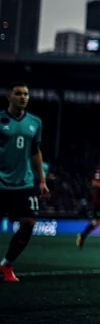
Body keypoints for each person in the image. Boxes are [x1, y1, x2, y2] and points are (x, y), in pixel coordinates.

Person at [0, 83, 48, 282]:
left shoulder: (35, 122)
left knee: (28, 223)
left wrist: (42, 180)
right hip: (1, 182)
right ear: (9, 97)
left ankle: (6, 264)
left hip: (24, 183)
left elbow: (35, 151)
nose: (22, 97)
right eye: (18, 93)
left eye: (26, 94)